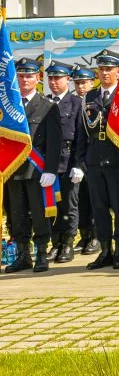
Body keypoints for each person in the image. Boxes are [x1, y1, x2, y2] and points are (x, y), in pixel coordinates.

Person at [3, 58, 62, 274]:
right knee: (16, 216)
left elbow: (55, 143)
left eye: (29, 75)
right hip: (12, 170)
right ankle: (23, 255)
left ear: (38, 78)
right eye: (21, 76)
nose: (25, 80)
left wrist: (51, 170)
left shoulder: (47, 107)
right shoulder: (8, 105)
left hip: (37, 171)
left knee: (39, 215)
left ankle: (42, 255)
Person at [81, 49, 119, 270]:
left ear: (117, 71)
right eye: (101, 69)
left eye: (109, 69)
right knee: (99, 207)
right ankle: (105, 250)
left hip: (117, 160)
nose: (104, 73)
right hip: (94, 159)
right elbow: (82, 131)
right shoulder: (90, 97)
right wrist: (82, 160)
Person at [45, 60, 86, 264]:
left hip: (69, 161)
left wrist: (79, 165)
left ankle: (68, 243)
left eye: (57, 78)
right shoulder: (45, 103)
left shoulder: (77, 103)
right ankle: (56, 243)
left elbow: (81, 137)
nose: (53, 82)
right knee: (53, 205)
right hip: (50, 164)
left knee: (70, 206)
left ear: (67, 80)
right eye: (50, 78)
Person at [70, 65, 98, 255]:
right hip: (76, 159)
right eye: (77, 83)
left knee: (96, 199)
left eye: (84, 83)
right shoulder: (73, 103)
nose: (81, 87)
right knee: (81, 201)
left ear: (91, 82)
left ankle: (96, 236)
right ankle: (85, 234)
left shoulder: (93, 102)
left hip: (93, 157)